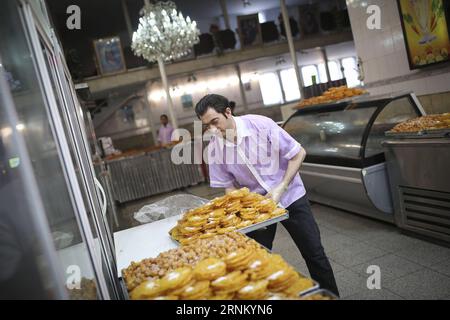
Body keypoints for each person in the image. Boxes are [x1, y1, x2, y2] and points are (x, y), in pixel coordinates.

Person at [195, 94, 339, 296]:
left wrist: (282, 186)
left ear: (228, 112)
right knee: (255, 259)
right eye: (206, 125)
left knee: (314, 253)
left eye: (214, 122)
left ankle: (330, 296)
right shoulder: (214, 150)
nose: (212, 129)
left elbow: (298, 154)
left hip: (291, 196)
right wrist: (245, 206)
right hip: (256, 210)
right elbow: (228, 187)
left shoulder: (260, 126)